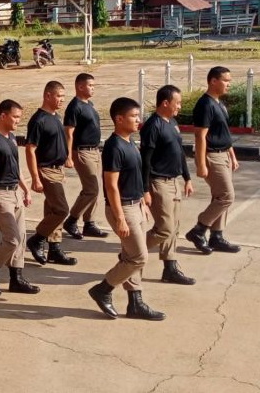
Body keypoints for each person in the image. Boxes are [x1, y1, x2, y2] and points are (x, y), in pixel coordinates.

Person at [88, 97, 165, 321]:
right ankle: (103, 289)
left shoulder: (130, 142)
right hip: (122, 208)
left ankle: (135, 303)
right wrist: (120, 217)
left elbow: (134, 177)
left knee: (132, 256)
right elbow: (111, 186)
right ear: (119, 119)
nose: (138, 120)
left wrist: (142, 199)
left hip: (136, 205)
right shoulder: (114, 147)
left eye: (138, 116)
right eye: (133, 116)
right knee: (139, 257)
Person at [0, 99, 39, 296]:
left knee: (21, 238)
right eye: (15, 117)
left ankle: (16, 279)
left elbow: (15, 166)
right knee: (12, 239)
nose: (18, 121)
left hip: (15, 193)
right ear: (3, 116)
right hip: (1, 194)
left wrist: (26, 189)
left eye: (19, 117)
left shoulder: (10, 137)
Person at [140, 85, 196, 285]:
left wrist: (187, 178)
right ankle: (132, 251)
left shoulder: (172, 122)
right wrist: (145, 190)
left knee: (174, 228)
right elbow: (145, 160)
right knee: (164, 228)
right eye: (177, 103)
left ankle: (170, 269)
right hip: (158, 182)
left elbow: (179, 152)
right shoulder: (152, 126)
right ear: (165, 103)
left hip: (174, 181)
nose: (179, 106)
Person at [185, 66, 241, 254]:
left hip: (224, 154)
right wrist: (201, 164)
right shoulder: (205, 105)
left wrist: (232, 155)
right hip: (212, 155)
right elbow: (200, 136)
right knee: (226, 196)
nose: (229, 84)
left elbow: (223, 131)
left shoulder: (218, 103)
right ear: (213, 81)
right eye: (226, 80)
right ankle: (198, 230)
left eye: (229, 81)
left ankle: (216, 237)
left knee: (219, 197)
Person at [25, 81, 78, 266]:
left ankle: (54, 249)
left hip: (58, 169)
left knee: (52, 210)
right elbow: (30, 149)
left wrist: (67, 157)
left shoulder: (56, 117)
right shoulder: (38, 120)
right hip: (46, 170)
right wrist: (35, 178)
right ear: (47, 95)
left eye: (63, 96)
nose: (62, 100)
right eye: (58, 96)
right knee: (62, 210)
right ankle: (37, 239)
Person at [62, 73, 108, 239]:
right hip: (82, 151)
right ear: (80, 87)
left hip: (94, 151)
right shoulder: (74, 107)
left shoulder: (89, 104)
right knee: (91, 189)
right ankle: (72, 220)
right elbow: (68, 133)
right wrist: (68, 156)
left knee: (95, 189)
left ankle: (89, 223)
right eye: (90, 85)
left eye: (93, 85)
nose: (93, 88)